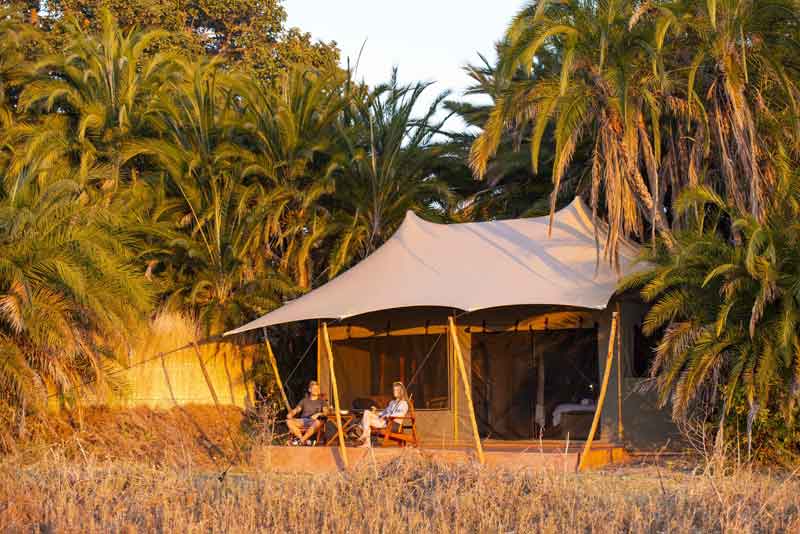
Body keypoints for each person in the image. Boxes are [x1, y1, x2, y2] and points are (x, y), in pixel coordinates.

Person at [358, 382, 409, 448]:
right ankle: (366, 438)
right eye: (394, 390)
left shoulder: (404, 404)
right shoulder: (392, 402)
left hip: (392, 424)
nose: (394, 392)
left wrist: (388, 416)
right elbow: (384, 412)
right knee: (367, 412)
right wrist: (376, 413)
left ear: (401, 392)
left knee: (364, 422)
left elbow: (400, 414)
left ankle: (366, 440)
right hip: (384, 421)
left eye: (396, 390)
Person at [286, 380, 329, 445]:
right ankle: (302, 440)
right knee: (288, 421)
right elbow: (297, 409)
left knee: (320, 420)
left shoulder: (322, 401)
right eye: (314, 388)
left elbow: (326, 412)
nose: (316, 390)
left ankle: (301, 441)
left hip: (315, 421)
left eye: (317, 388)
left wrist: (318, 414)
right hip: (304, 421)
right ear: (309, 390)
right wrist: (291, 413)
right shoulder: (304, 401)